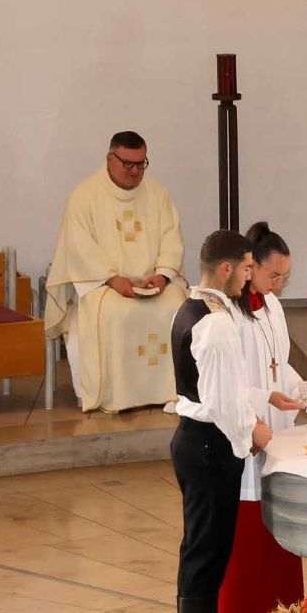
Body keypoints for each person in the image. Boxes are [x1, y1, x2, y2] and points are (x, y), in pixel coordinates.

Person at [221, 222, 307, 613]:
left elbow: (278, 368)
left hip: (276, 433)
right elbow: (231, 383)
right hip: (249, 433)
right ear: (249, 269)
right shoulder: (230, 315)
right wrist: (252, 425)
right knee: (248, 534)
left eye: (285, 277)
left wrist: (306, 391)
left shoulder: (271, 308)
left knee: (278, 529)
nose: (280, 285)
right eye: (273, 276)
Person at [169, 230, 269, 613]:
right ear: (226, 268)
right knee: (204, 553)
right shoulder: (215, 323)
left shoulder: (192, 309)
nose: (251, 276)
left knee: (208, 550)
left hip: (198, 441)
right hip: (209, 444)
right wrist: (251, 435)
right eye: (248, 267)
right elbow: (222, 400)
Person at [45, 131, 190, 413]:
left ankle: (172, 392)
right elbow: (79, 247)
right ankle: (120, 397)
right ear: (110, 158)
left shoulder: (157, 194)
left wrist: (161, 275)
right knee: (118, 314)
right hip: (104, 285)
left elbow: (172, 237)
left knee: (176, 306)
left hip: (153, 281)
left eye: (141, 164)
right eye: (128, 164)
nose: (135, 171)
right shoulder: (84, 196)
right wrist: (113, 279)